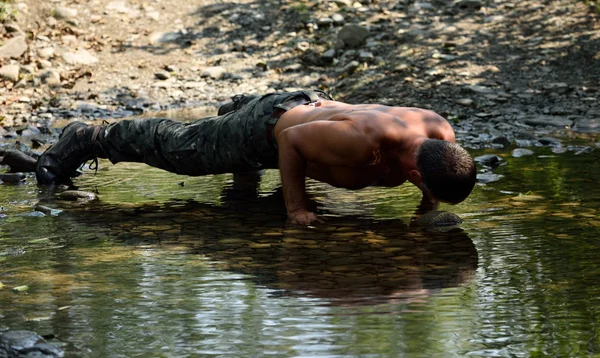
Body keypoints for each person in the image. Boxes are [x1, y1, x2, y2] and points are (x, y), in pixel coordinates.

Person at [36, 90, 477, 225]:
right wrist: (297, 208)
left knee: (240, 188)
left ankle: (238, 117)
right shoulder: (365, 143)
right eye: (423, 188)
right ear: (417, 171)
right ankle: (90, 136)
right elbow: (292, 143)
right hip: (267, 130)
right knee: (179, 151)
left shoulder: (442, 135)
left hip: (311, 112)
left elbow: (434, 177)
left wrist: (428, 206)